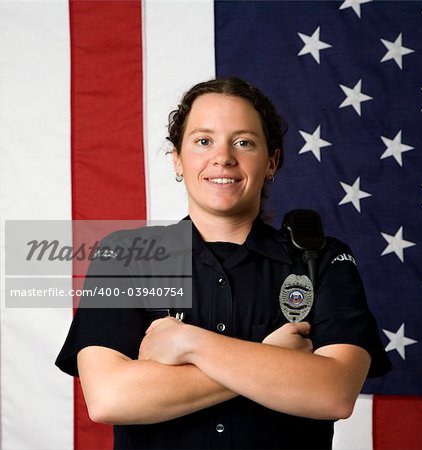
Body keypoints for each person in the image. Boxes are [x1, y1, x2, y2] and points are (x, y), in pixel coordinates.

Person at [56, 77, 391, 449]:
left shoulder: (322, 259)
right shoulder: (125, 255)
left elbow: (334, 393)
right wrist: (272, 357)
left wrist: (189, 342)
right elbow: (110, 398)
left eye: (244, 142)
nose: (223, 157)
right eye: (203, 141)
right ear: (177, 160)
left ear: (272, 162)